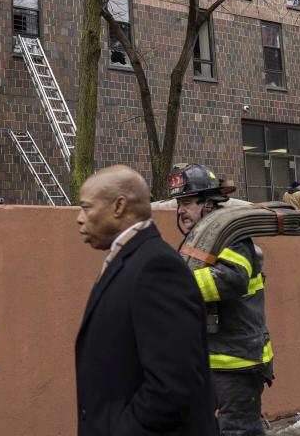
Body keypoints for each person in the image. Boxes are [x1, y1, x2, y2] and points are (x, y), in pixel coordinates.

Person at [75, 165, 211, 436]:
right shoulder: (132, 260)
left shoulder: (156, 267)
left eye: (86, 207)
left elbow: (173, 383)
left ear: (119, 206)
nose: (79, 218)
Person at [168, 163, 273, 436]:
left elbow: (231, 279)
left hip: (236, 361)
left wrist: (174, 285)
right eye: (180, 203)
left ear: (210, 204)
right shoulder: (203, 241)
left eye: (188, 203)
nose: (180, 210)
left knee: (238, 429)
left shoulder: (234, 239)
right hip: (210, 359)